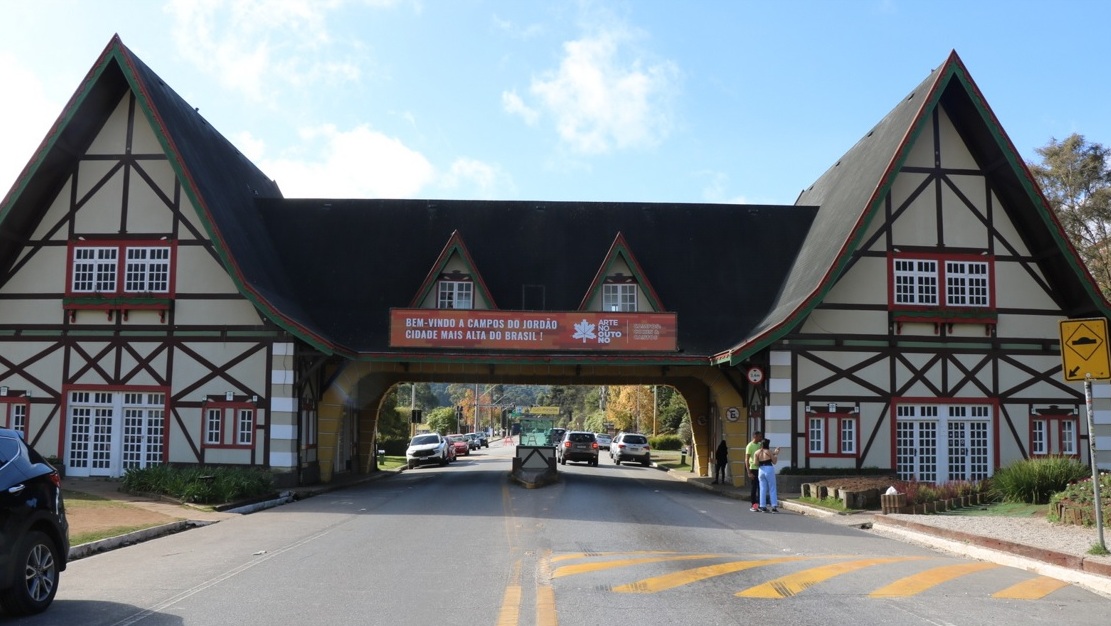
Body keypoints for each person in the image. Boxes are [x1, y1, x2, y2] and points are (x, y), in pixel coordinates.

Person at [754, 438, 780, 513]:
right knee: (772, 487)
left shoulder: (757, 452)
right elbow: (774, 462)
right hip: (769, 468)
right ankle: (774, 506)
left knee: (762, 488)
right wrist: (776, 454)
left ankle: (762, 506)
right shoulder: (769, 451)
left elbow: (755, 463)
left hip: (761, 469)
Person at [744, 430, 764, 512]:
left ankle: (760, 504)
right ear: (755, 436)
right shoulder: (750, 446)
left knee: (761, 488)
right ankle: (754, 505)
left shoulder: (760, 445)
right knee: (754, 488)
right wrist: (748, 472)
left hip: (760, 468)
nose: (761, 438)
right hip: (753, 468)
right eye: (759, 436)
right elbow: (746, 459)